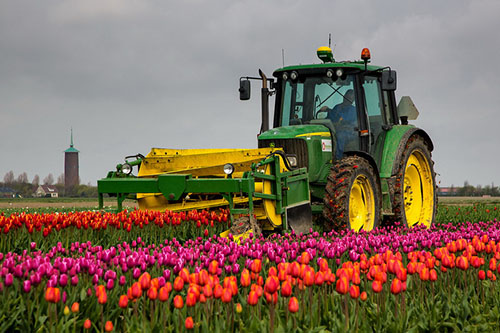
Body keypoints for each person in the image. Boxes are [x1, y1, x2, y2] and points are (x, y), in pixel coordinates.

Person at [319, 89, 358, 159]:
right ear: (343, 97)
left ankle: (338, 159)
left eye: (349, 98)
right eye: (346, 97)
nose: (347, 99)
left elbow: (343, 119)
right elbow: (329, 119)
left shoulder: (353, 110)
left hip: (350, 132)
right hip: (335, 130)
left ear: (353, 100)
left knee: (340, 136)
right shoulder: (337, 107)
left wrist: (329, 110)